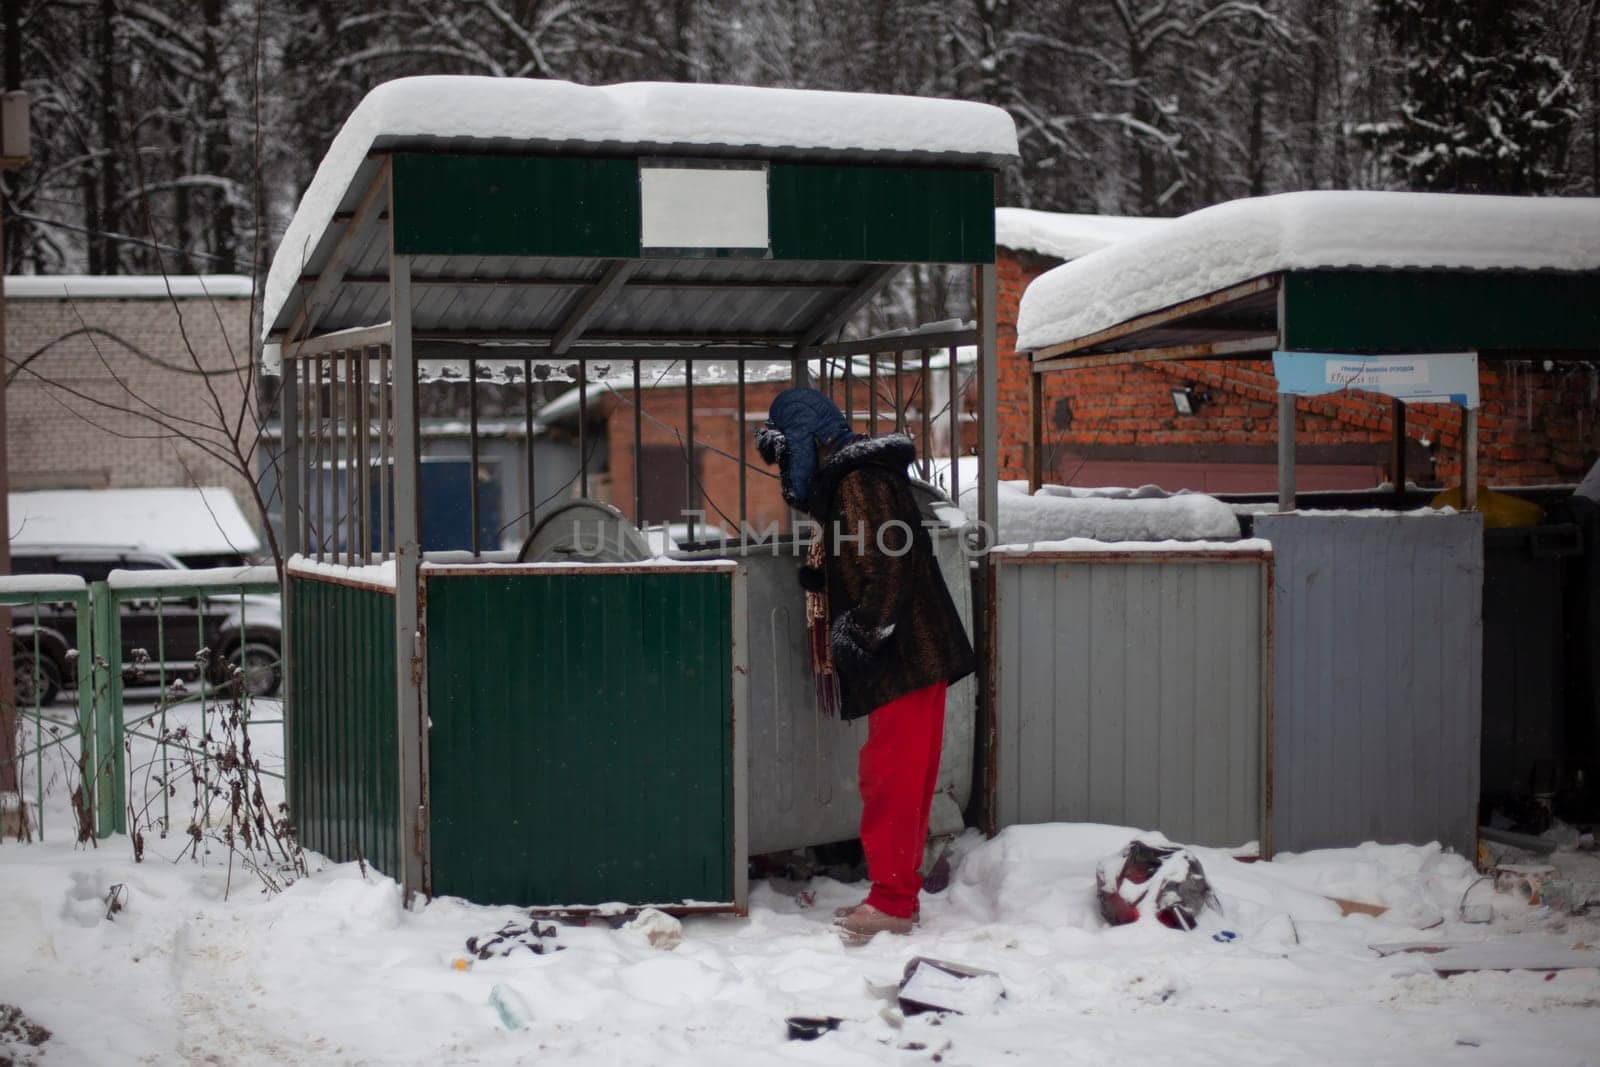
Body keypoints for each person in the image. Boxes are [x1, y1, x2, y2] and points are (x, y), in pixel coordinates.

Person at [756, 387, 976, 943]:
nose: (786, 466)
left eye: (786, 452)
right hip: (914, 653)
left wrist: (862, 635)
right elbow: (866, 558)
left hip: (903, 654)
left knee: (890, 780)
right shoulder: (861, 479)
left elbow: (887, 568)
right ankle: (896, 893)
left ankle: (891, 902)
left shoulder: (858, 482)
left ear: (806, 442)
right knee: (904, 779)